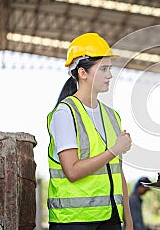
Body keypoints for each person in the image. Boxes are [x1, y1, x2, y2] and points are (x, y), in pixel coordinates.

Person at [47, 33, 133, 230]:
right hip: (73, 221)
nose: (109, 75)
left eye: (109, 68)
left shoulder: (112, 116)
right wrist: (114, 150)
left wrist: (128, 221)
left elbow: (117, 172)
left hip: (110, 219)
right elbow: (72, 172)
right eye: (103, 69)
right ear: (83, 73)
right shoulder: (65, 113)